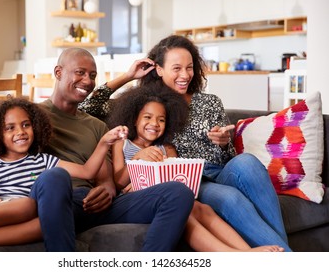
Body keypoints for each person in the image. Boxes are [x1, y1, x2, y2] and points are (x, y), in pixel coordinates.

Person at [0, 48, 195, 252]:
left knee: (178, 192)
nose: (87, 81)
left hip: (94, 205)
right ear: (59, 72)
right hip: (54, 201)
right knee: (54, 176)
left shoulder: (96, 125)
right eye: (80, 72)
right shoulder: (27, 117)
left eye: (92, 75)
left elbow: (105, 178)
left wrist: (105, 190)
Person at [79, 35, 292, 251]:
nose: (185, 75)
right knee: (230, 198)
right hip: (192, 180)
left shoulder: (209, 101)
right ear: (159, 69)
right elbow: (88, 107)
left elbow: (230, 157)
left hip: (222, 170)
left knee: (247, 161)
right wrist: (127, 76)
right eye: (177, 68)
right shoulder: (148, 105)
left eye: (189, 68)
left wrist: (223, 142)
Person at [106, 84, 283, 252]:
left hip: (169, 194)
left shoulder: (166, 148)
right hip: (141, 199)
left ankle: (248, 251)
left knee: (202, 208)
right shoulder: (123, 144)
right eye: (147, 117)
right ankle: (233, 253)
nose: (155, 123)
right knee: (185, 212)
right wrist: (138, 158)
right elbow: (119, 181)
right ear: (134, 119)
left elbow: (176, 178)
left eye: (161, 120)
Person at [0, 97, 128, 251]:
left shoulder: (42, 160)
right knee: (25, 205)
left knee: (45, 224)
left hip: (25, 219)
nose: (20, 132)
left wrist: (104, 143)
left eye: (26, 125)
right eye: (10, 128)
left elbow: (87, 172)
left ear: (35, 127)